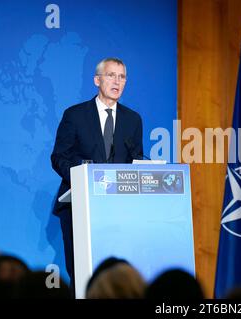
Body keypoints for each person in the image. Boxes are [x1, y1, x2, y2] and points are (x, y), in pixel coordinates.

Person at [51, 57, 143, 293]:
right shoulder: (75, 115)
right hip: (78, 205)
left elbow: (136, 159)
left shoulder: (133, 119)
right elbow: (59, 156)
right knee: (82, 274)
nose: (117, 81)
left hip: (118, 209)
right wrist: (82, 180)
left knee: (115, 276)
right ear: (97, 80)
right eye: (111, 75)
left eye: (122, 77)